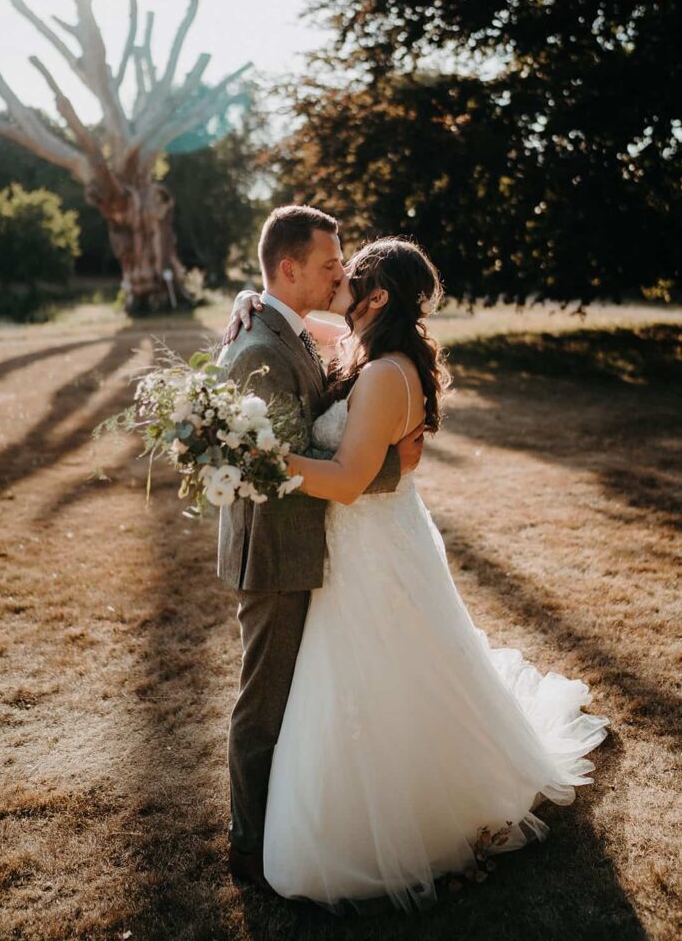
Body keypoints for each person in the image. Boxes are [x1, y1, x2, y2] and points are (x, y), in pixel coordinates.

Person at [225, 233, 610, 912]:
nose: (335, 280)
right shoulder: (373, 352)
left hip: (366, 546)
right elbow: (300, 321)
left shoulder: (379, 374)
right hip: (374, 543)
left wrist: (251, 453)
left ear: (373, 299)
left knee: (378, 679)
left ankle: (410, 814)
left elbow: (345, 481)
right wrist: (249, 297)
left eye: (347, 276)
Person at [216, 206, 424, 886]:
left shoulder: (290, 327)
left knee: (301, 696)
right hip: (277, 550)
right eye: (331, 264)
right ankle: (249, 843)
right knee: (265, 702)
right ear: (288, 269)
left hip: (317, 543)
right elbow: (280, 459)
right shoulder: (261, 348)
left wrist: (250, 295)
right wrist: (388, 468)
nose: (341, 274)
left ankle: (288, 823)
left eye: (346, 267)